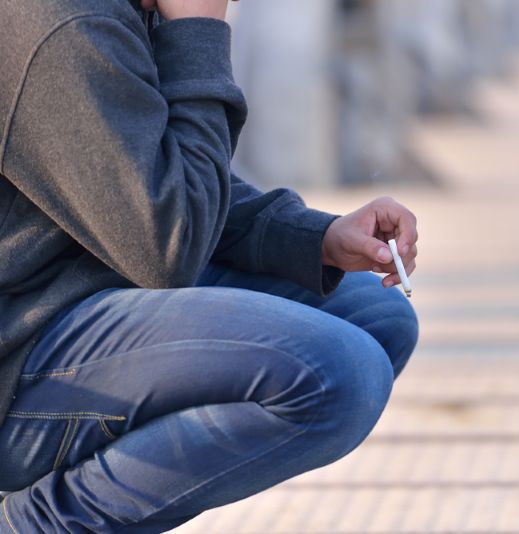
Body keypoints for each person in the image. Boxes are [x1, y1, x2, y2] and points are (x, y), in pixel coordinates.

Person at [0, 0, 419, 531]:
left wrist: (314, 237)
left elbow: (147, 178)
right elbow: (166, 246)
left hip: (74, 282)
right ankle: (38, 523)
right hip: (20, 345)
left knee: (374, 313)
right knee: (338, 372)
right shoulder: (62, 24)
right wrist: (198, 30)